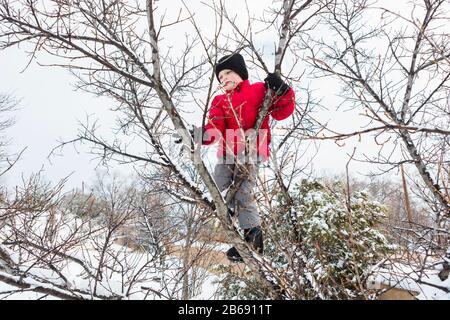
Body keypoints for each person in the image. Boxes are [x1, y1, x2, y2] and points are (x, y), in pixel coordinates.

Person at [185, 53, 295, 262]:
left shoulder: (258, 91)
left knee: (243, 191)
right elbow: (215, 127)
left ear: (241, 73)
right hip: (228, 151)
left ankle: (253, 239)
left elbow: (281, 112)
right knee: (217, 185)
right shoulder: (219, 100)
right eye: (220, 77)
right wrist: (200, 135)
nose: (223, 78)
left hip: (253, 149)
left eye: (228, 73)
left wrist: (282, 90)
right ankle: (229, 217)